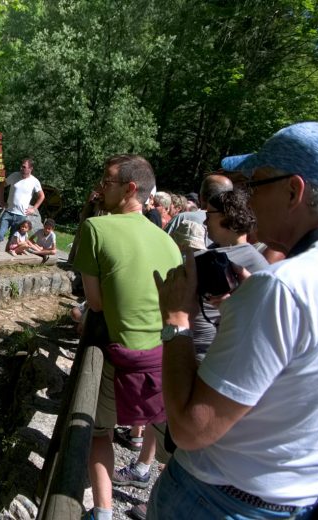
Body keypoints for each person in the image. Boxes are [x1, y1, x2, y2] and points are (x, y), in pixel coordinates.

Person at [149, 122, 318, 519]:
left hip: (216, 503)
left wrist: (176, 320)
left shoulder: (282, 288)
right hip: (301, 504)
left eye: (256, 185)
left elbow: (190, 430)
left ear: (294, 191)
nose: (247, 201)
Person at [73, 154, 182, 520]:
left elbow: (96, 302)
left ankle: (103, 511)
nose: (101, 187)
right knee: (169, 445)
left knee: (99, 431)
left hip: (122, 358)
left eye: (107, 181)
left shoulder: (96, 229)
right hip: (164, 358)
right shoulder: (167, 241)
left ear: (130, 188)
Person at [0, 158, 45, 252]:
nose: (21, 168)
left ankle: (5, 257)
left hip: (21, 216)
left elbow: (42, 196)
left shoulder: (34, 181)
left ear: (30, 168)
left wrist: (33, 208)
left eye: (24, 167)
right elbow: (1, 185)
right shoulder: (14, 175)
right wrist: (1, 201)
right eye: (21, 166)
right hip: (8, 212)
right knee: (0, 234)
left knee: (13, 238)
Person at [163, 174, 234, 241]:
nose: (205, 222)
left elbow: (161, 243)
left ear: (201, 197)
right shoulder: (236, 225)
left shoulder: (183, 218)